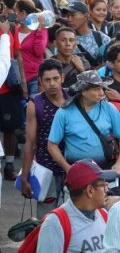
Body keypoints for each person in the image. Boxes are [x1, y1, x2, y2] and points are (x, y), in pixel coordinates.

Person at [47, 71, 120, 177]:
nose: (101, 92)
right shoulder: (64, 113)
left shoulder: (108, 108)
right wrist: (67, 168)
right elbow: (52, 145)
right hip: (78, 171)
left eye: (102, 88)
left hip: (106, 168)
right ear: (83, 91)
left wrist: (119, 163)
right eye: (96, 89)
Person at [20, 59, 69, 213]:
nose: (52, 83)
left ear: (62, 78)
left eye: (55, 78)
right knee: (46, 219)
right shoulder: (35, 104)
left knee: (73, 219)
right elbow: (30, 143)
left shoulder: (74, 98)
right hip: (46, 169)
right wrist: (25, 175)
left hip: (72, 166)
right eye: (47, 80)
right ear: (40, 81)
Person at [34, 159, 113, 253]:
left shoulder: (103, 215)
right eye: (103, 185)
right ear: (90, 190)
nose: (107, 190)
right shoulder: (55, 223)